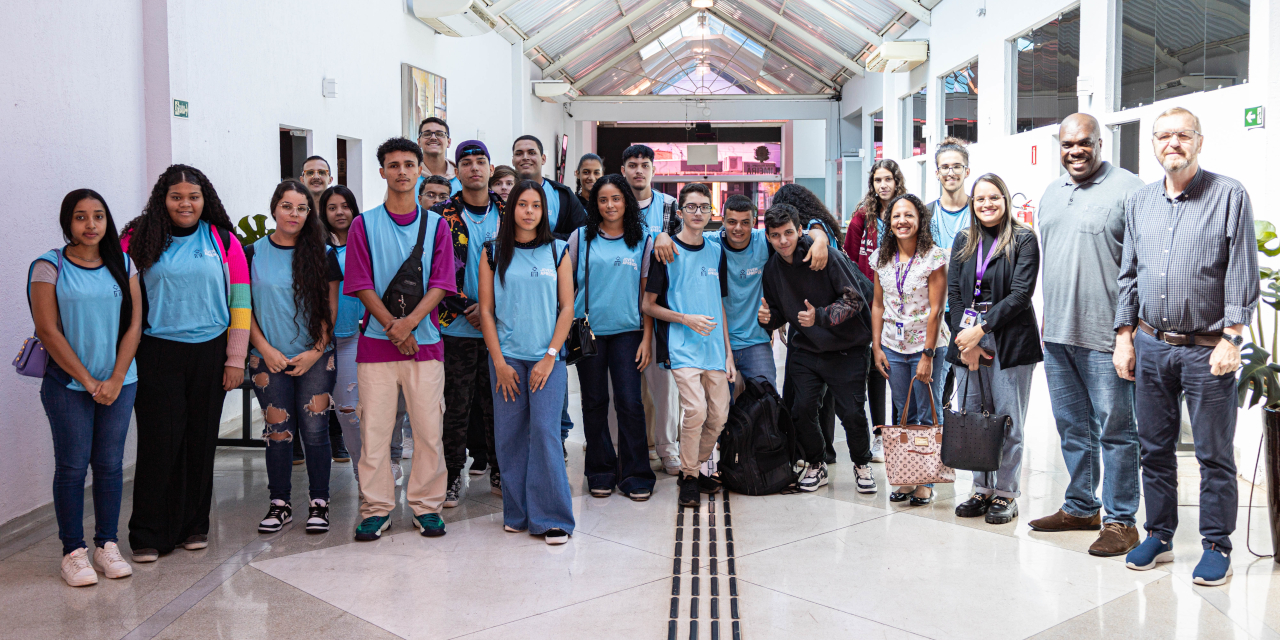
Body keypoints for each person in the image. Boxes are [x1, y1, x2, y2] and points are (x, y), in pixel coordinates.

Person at [1117, 107, 1258, 586]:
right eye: (1163, 136)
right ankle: (1159, 534)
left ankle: (1217, 544)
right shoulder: (1139, 203)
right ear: (1153, 145)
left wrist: (1232, 338)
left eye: (1182, 135)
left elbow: (1242, 271)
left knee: (1213, 454)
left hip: (1207, 349)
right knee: (1154, 449)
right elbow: (1128, 275)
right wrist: (1125, 337)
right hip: (1152, 344)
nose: (1171, 143)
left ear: (1199, 141)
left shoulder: (1228, 195)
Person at [1028, 114, 1144, 557]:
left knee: (1116, 431)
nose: (1074, 151)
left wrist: (1127, 333)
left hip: (1106, 337)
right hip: (1057, 334)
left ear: (1100, 142)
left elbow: (1138, 269)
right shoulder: (1052, 193)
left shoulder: (1129, 189)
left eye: (1083, 143)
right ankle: (1080, 506)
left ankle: (1121, 521)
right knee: (1073, 428)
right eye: (1067, 144)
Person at [122, 165, 250, 562]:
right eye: (176, 196)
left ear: (204, 199)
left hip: (210, 353)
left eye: (192, 196)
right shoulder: (136, 240)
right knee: (160, 443)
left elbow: (241, 303)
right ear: (164, 199)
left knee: (199, 442)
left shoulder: (223, 240)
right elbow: (119, 296)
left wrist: (235, 358)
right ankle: (148, 533)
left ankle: (194, 526)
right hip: (156, 351)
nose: (185, 203)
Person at [343, 137, 456, 541]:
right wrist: (394, 325)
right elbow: (360, 282)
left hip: (425, 346)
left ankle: (426, 506)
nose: (402, 172)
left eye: (410, 164)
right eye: (394, 165)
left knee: (428, 430)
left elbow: (443, 283)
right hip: (375, 347)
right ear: (382, 172)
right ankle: (376, 508)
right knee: (374, 432)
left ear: (420, 170)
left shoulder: (437, 225)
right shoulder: (364, 224)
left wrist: (409, 326)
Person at [30, 190, 142, 586]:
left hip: (119, 384)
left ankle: (106, 545)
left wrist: (114, 378)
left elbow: (133, 326)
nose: (91, 224)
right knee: (73, 467)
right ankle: (73, 551)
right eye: (81, 217)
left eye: (98, 216)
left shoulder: (123, 263)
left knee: (110, 467)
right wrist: (89, 380)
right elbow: (47, 329)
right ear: (68, 223)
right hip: (67, 385)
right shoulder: (48, 266)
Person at [478, 180, 576, 545]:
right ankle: (518, 513)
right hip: (507, 359)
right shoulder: (491, 252)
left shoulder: (558, 250)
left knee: (546, 433)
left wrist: (551, 355)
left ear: (544, 211)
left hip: (546, 358)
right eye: (523, 205)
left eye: (536, 205)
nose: (530, 211)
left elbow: (566, 307)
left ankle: (552, 517)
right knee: (510, 436)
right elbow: (486, 311)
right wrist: (499, 362)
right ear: (511, 209)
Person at [758, 204, 876, 494]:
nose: (783, 241)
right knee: (801, 410)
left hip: (847, 348)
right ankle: (816, 462)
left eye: (788, 233)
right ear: (768, 237)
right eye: (775, 235)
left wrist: (819, 316)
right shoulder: (772, 269)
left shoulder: (825, 255)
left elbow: (854, 300)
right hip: (806, 349)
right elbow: (778, 312)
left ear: (800, 231)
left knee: (852, 414)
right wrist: (768, 320)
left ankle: (862, 464)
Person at [947, 173, 1042, 525]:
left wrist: (980, 331)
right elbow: (955, 295)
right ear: (972, 204)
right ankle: (980, 489)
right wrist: (965, 339)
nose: (987, 204)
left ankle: (1005, 493)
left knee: (1007, 420)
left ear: (1006, 200)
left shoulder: (1023, 239)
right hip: (968, 337)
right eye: (980, 199)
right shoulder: (962, 240)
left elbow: (1020, 295)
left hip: (1009, 338)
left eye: (994, 198)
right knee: (974, 418)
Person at [246, 180, 337, 535]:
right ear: (274, 209)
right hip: (267, 358)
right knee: (278, 432)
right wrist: (265, 349)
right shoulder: (251, 253)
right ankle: (280, 503)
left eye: (301, 208)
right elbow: (242, 309)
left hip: (315, 357)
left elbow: (330, 312)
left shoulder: (323, 254)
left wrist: (315, 352)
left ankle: (319, 503)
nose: (294, 214)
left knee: (315, 431)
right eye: (287, 206)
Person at [643, 183, 735, 507]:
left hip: (714, 350)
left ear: (712, 213)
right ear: (679, 213)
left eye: (704, 207)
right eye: (691, 207)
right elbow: (648, 305)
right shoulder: (665, 251)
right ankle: (691, 477)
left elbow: (719, 304)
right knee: (694, 410)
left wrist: (729, 353)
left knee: (719, 415)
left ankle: (691, 467)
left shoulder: (716, 249)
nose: (698, 213)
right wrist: (685, 319)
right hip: (683, 346)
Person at [567, 174, 656, 501]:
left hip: (629, 333)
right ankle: (600, 471)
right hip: (587, 331)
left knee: (630, 403)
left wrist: (647, 339)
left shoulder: (643, 239)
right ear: (595, 204)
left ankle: (635, 474)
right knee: (593, 402)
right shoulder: (580, 238)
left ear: (626, 202)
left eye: (616, 199)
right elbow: (566, 287)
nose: (609, 205)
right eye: (603, 199)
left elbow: (647, 295)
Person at [870, 194, 949, 506]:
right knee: (904, 413)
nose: (902, 221)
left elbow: (936, 309)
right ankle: (907, 475)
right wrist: (876, 347)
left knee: (927, 412)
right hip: (893, 345)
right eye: (896, 216)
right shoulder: (882, 258)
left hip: (926, 346)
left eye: (909, 216)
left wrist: (927, 355)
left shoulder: (934, 257)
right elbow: (877, 304)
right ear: (889, 223)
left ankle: (927, 479)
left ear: (920, 221)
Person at [435, 140, 503, 504]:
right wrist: (467, 307)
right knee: (456, 407)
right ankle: (450, 475)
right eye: (466, 162)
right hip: (455, 327)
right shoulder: (439, 216)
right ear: (456, 170)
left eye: (481, 162)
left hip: (502, 328)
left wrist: (492, 310)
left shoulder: (511, 212)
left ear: (491, 169)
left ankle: (499, 471)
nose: (474, 167)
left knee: (497, 405)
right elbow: (433, 270)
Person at [513, 135, 587, 453]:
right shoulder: (503, 193)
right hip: (514, 302)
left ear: (544, 159)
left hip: (553, 292)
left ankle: (558, 432)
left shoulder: (563, 195)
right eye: (519, 153)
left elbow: (580, 237)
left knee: (551, 369)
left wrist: (545, 247)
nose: (525, 157)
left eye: (532, 152)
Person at [622, 144, 683, 474]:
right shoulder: (613, 202)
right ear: (624, 170)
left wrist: (664, 237)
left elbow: (683, 246)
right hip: (620, 306)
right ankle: (624, 446)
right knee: (621, 384)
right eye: (632, 165)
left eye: (644, 164)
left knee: (663, 384)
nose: (638, 170)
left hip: (659, 306)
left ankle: (667, 447)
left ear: (654, 170)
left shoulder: (670, 207)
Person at [842, 159, 904, 464]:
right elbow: (850, 262)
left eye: (888, 179)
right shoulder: (861, 219)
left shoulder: (905, 213)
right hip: (869, 304)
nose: (883, 185)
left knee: (896, 368)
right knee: (874, 368)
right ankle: (879, 434)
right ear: (873, 183)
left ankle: (897, 434)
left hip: (901, 302)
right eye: (878, 180)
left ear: (896, 182)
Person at [928, 139, 972, 408]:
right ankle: (940, 446)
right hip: (936, 311)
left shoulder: (980, 212)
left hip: (971, 310)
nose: (951, 172)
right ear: (937, 173)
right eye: (945, 167)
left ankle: (971, 446)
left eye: (957, 166)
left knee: (971, 386)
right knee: (938, 388)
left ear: (967, 171)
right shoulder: (926, 213)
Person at [415, 117, 461, 196]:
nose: (433, 138)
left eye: (440, 134)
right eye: (427, 134)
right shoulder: (409, 175)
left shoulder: (461, 177)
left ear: (449, 142)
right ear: (419, 142)